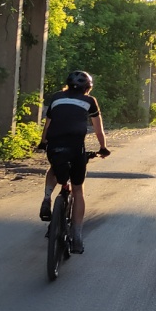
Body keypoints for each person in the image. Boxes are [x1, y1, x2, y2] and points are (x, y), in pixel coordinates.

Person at [36, 70, 109, 253]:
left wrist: (43, 142)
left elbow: (48, 125)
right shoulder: (89, 101)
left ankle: (47, 198)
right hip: (75, 148)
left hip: (54, 146)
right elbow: (98, 129)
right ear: (88, 87)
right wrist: (103, 148)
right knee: (77, 189)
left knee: (54, 168)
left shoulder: (56, 97)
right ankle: (77, 236)